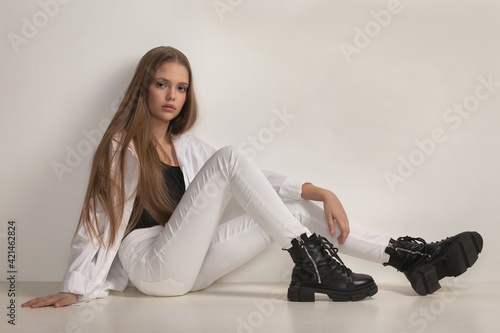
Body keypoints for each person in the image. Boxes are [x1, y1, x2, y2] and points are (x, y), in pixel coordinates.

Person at [22, 46, 483, 308]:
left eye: (181, 87)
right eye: (162, 83)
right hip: (150, 263)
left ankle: (404, 256)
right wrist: (74, 287)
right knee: (229, 158)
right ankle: (314, 262)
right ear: (144, 86)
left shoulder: (187, 147)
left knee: (296, 208)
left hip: (189, 264)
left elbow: (254, 178)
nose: (173, 95)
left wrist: (319, 191)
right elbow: (97, 221)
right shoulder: (120, 148)